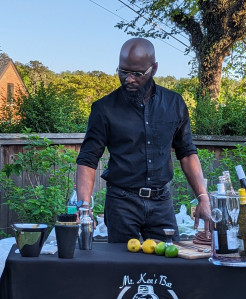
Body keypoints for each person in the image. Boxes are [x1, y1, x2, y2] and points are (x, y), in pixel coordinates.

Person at [76, 38, 211, 243]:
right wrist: (84, 208)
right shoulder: (104, 108)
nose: (129, 79)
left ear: (154, 68)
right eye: (123, 71)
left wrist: (203, 197)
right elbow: (88, 159)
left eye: (137, 74)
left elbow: (187, 152)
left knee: (170, 266)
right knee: (121, 269)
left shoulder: (174, 103)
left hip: (161, 202)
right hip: (121, 203)